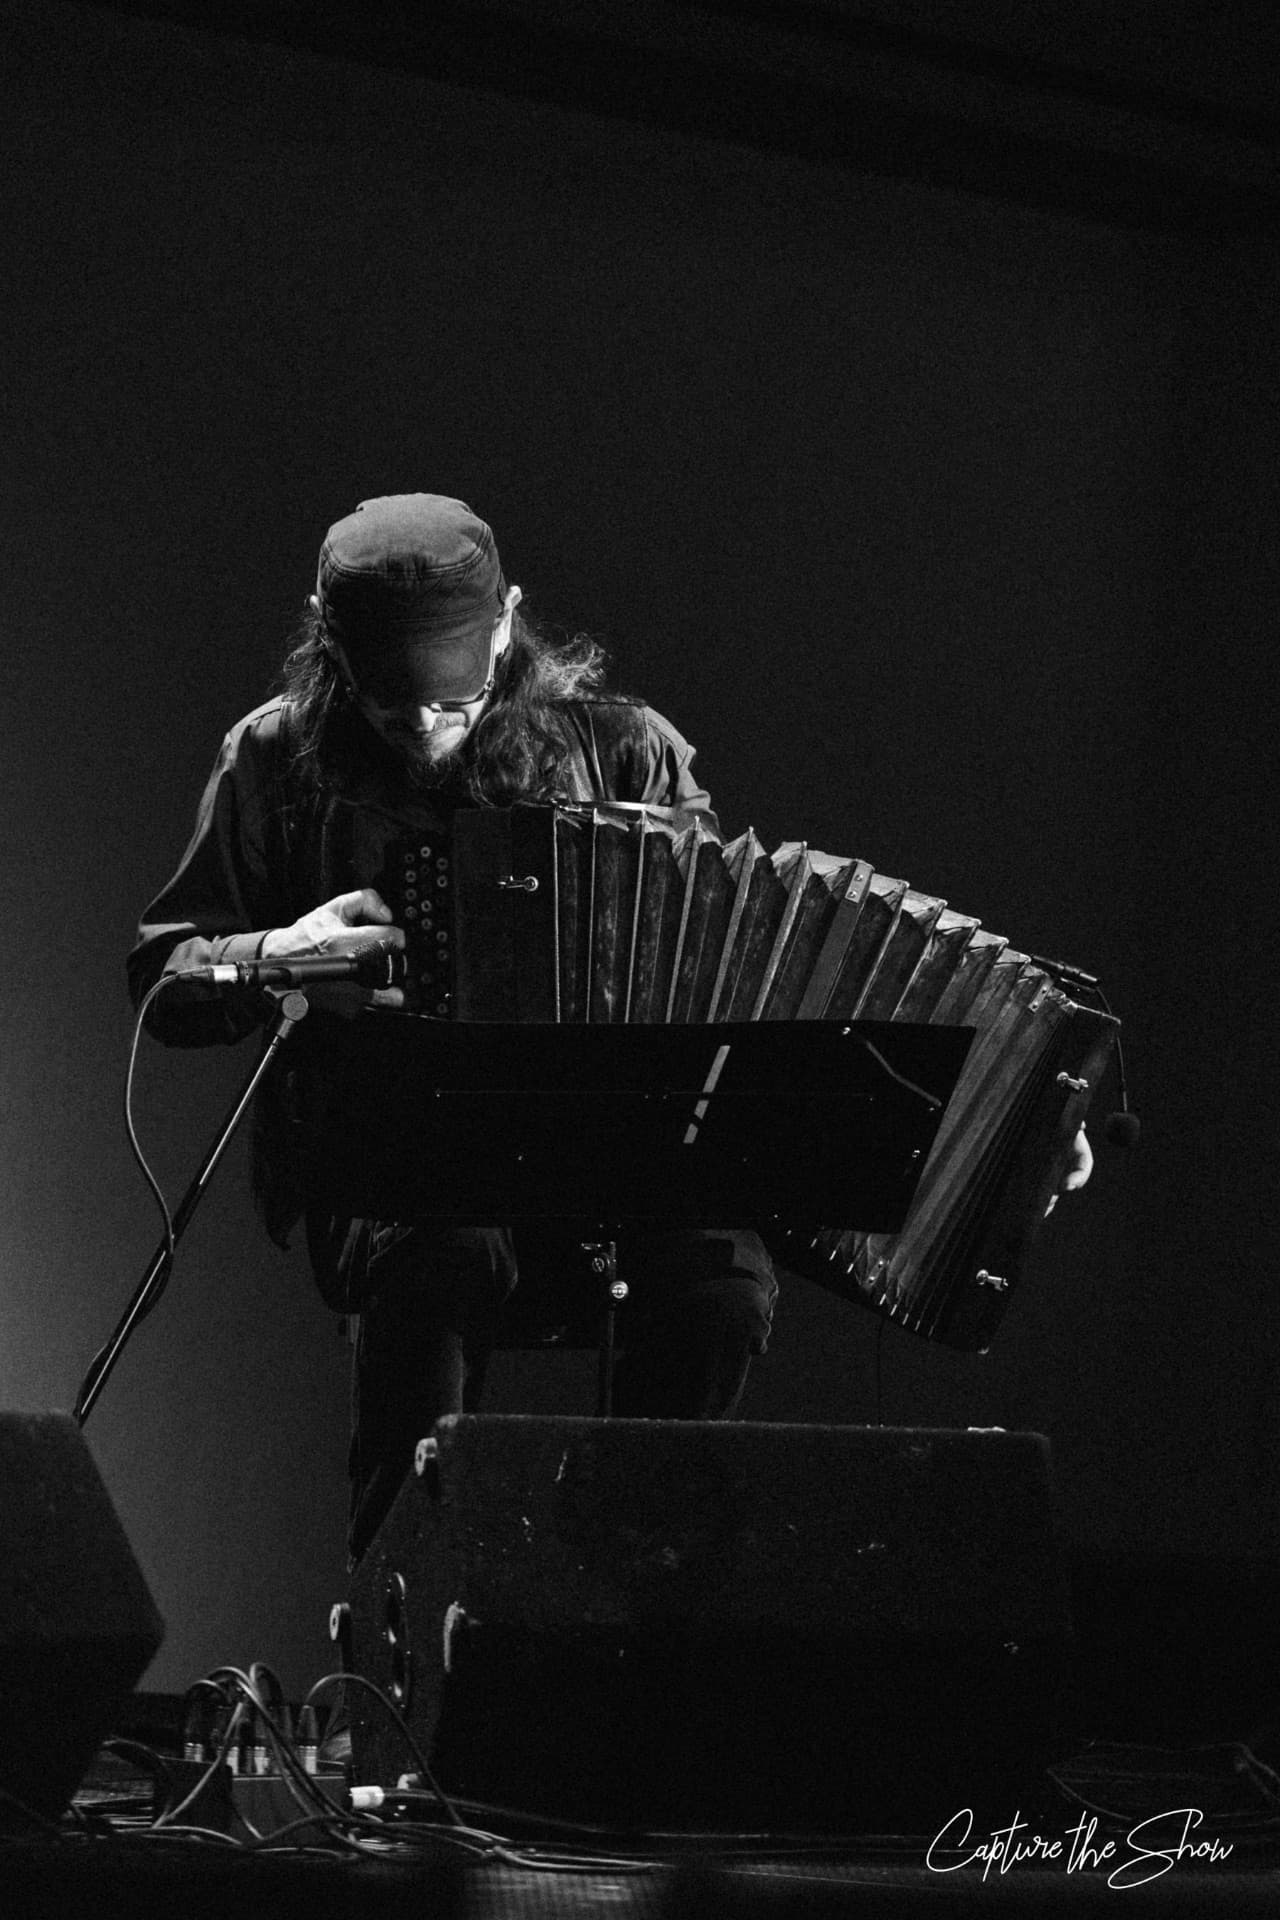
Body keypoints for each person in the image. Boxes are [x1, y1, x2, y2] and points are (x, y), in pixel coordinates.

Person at [129, 493, 779, 1562]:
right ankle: (402, 1646)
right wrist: (279, 954)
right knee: (446, 1254)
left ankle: (634, 1611)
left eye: (454, 704)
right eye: (393, 709)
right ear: (328, 642)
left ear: (510, 622)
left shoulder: (627, 755)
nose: (426, 731)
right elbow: (164, 980)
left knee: (716, 1284)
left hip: (605, 1156)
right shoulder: (275, 762)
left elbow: (731, 954)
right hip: (389, 1164)